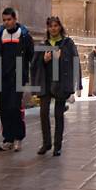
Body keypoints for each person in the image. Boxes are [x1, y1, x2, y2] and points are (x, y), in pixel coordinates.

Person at [33, 16, 81, 155]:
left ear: (60, 27)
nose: (53, 28)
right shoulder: (43, 44)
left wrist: (75, 85)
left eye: (55, 26)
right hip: (46, 82)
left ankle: (57, 146)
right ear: (48, 28)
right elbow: (35, 64)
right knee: (43, 113)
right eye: (50, 26)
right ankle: (46, 143)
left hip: (60, 83)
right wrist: (44, 59)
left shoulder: (67, 43)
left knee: (58, 114)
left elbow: (74, 62)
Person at [0, 6, 34, 151]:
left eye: (9, 19)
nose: (6, 23)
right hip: (3, 78)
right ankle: (7, 138)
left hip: (18, 77)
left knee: (15, 107)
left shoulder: (25, 36)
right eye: (4, 20)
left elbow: (31, 56)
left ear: (15, 19)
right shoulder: (0, 36)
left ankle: (18, 138)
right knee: (4, 108)